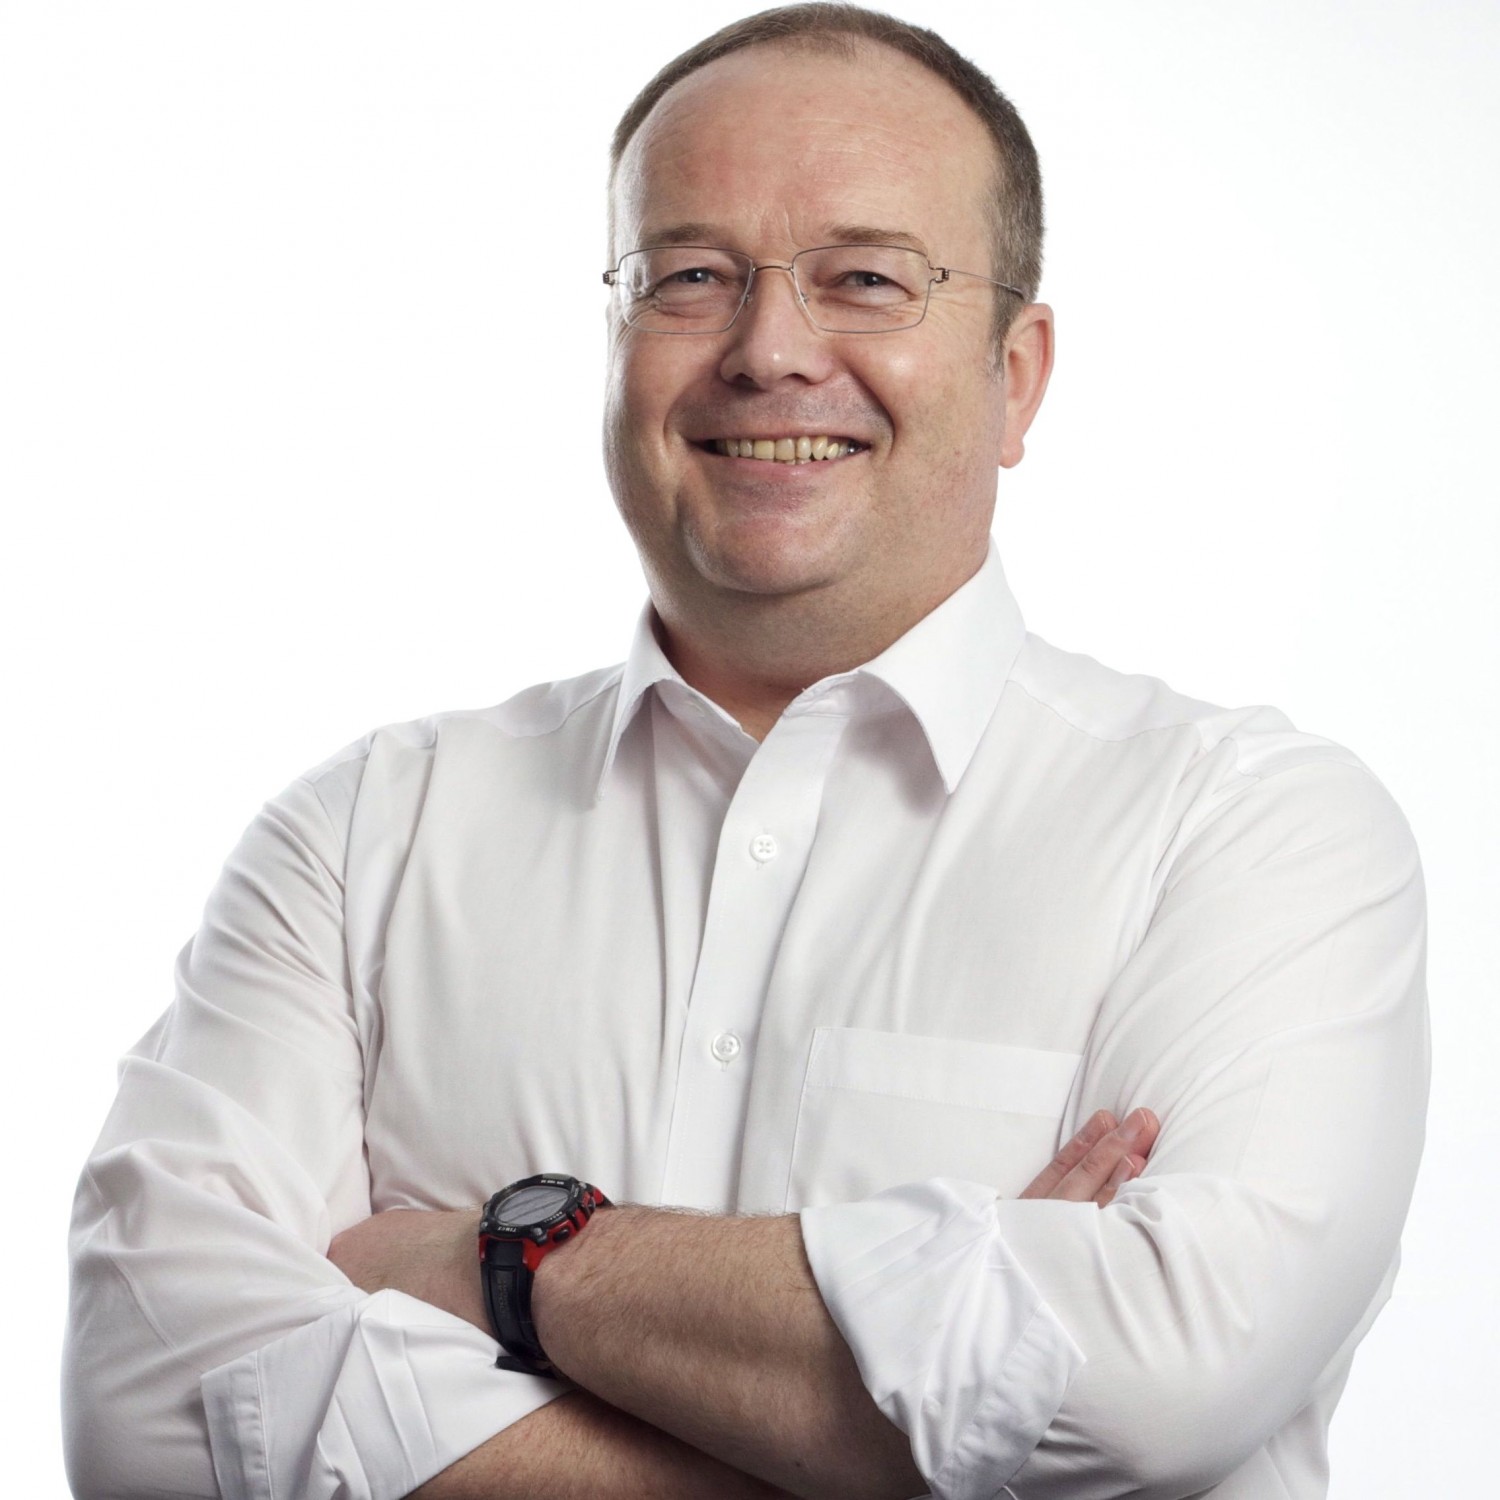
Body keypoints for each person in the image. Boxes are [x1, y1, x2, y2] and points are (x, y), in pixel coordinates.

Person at [63, 5, 1428, 1498]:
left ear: (1018, 372)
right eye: (693, 276)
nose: (771, 351)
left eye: (867, 278)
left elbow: (1158, 1376)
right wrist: (922, 1407)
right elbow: (152, 1416)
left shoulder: (1247, 834)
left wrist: (494, 1264)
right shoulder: (362, 839)